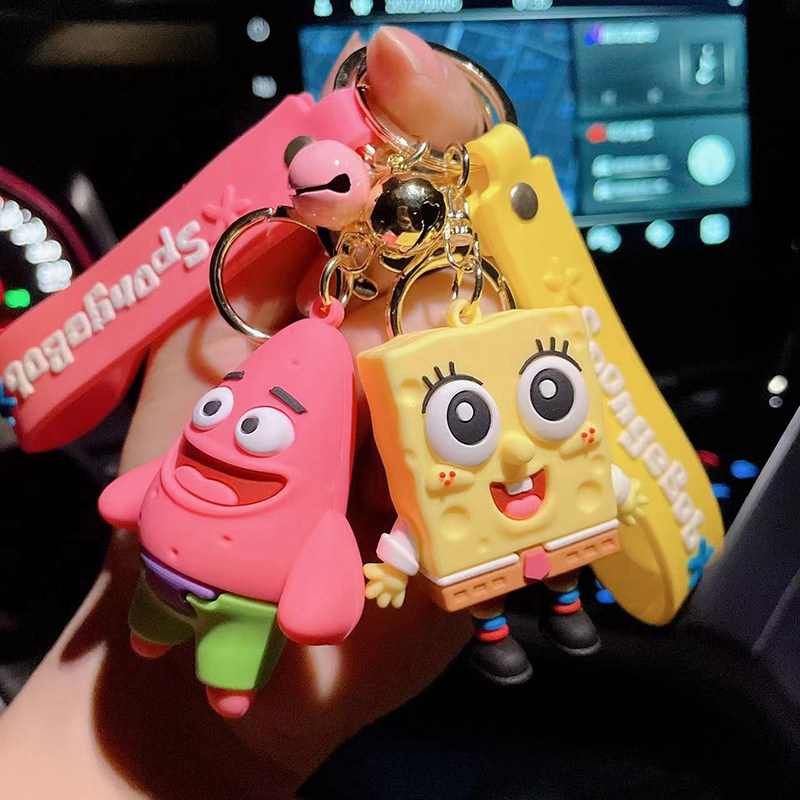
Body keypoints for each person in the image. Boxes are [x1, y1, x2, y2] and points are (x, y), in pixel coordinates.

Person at [0, 27, 491, 799]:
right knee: (159, 633)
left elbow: (323, 563)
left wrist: (211, 753)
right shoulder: (234, 385)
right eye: (223, 405)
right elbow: (136, 495)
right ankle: (162, 654)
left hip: (205, 604)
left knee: (214, 660)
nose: (224, 416)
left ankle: (194, 670)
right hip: (153, 585)